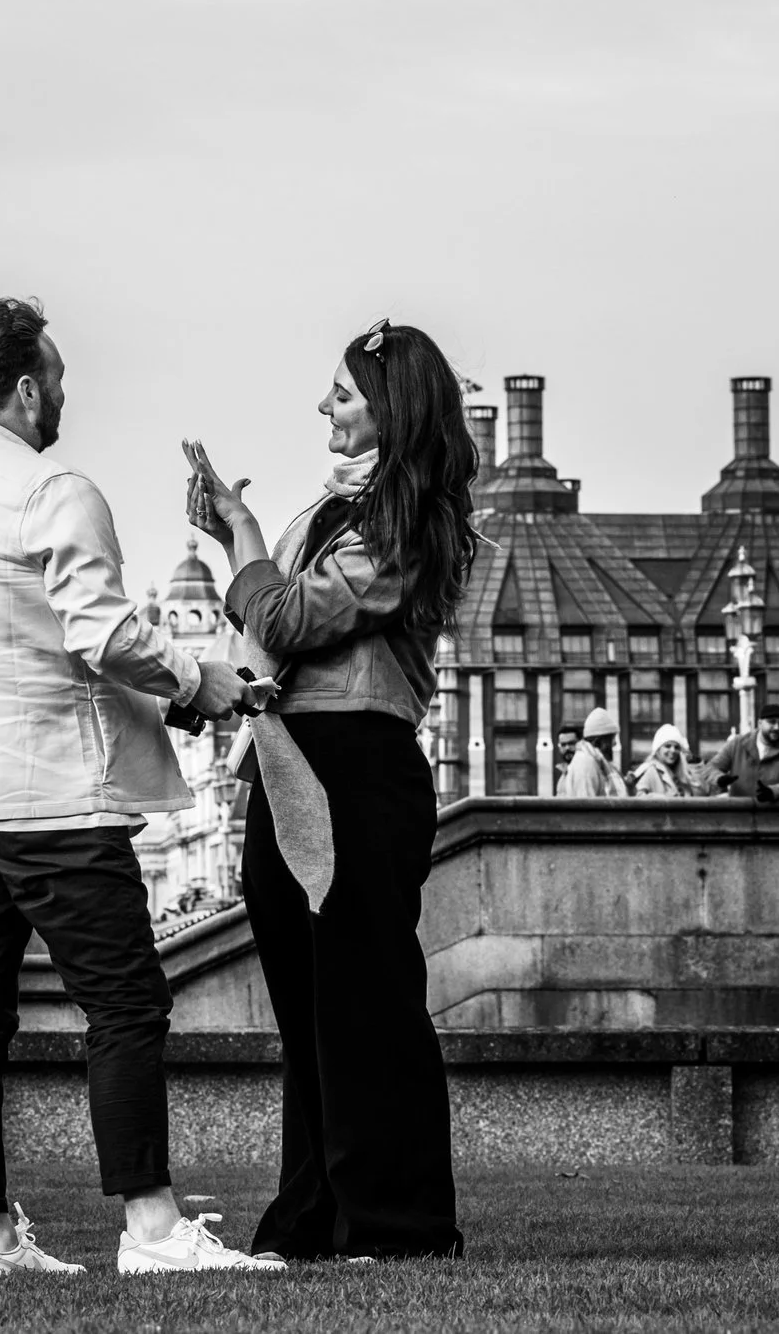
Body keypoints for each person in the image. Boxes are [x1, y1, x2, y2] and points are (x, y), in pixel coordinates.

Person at [0, 297, 282, 1278]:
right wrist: (199, 681)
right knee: (126, 1004)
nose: (63, 392)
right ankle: (152, 1225)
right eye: (56, 376)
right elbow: (101, 634)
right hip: (51, 797)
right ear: (26, 388)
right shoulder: (52, 488)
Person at [184, 316, 475, 1261]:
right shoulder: (333, 513)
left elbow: (281, 616)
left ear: (389, 409)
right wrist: (241, 548)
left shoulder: (405, 521)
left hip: (356, 767)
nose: (323, 407)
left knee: (365, 1003)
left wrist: (240, 534)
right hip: (289, 761)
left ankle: (397, 1221)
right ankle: (316, 1215)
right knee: (311, 1008)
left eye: (343, 393)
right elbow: (265, 628)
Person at [698, 704, 779, 802]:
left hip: (772, 814)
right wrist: (720, 778)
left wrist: (772, 792)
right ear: (760, 723)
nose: (776, 727)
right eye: (772, 722)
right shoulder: (737, 743)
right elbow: (710, 768)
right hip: (740, 812)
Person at [557, 707, 624, 797]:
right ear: (598, 741)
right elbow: (585, 803)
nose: (615, 743)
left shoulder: (595, 761)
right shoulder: (585, 764)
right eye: (611, 739)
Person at [630, 723, 695, 797]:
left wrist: (692, 762)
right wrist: (662, 799)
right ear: (658, 749)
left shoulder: (682, 771)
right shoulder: (651, 770)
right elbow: (639, 797)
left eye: (676, 747)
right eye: (668, 746)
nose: (673, 750)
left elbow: (700, 793)